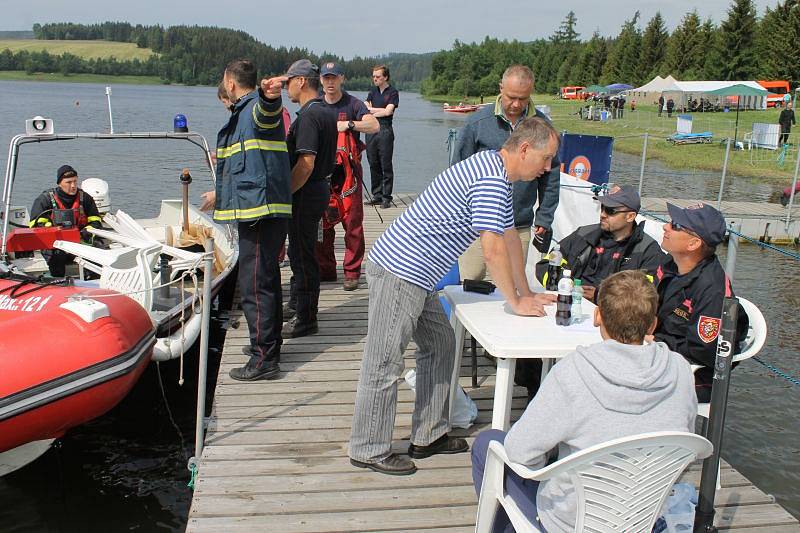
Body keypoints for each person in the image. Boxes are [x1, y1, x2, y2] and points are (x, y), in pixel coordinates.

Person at [348, 117, 560, 476]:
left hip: (420, 277)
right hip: (400, 271)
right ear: (525, 149)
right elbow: (492, 251)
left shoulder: (497, 173)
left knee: (442, 346)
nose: (548, 168)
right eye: (547, 158)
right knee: (384, 361)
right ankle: (368, 447)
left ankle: (428, 435)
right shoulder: (492, 178)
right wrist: (517, 302)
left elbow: (509, 238)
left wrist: (527, 292)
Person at [471, 270, 698, 533]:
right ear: (652, 325)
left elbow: (520, 452)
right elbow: (684, 440)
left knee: (487, 445)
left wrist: (547, 470)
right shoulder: (680, 370)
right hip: (642, 515)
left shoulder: (574, 372)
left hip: (571, 523)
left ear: (597, 316)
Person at [204, 59, 292, 381]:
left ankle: (263, 359)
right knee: (265, 280)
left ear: (230, 82)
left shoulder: (255, 107)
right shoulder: (242, 113)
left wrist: (270, 98)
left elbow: (267, 117)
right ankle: (269, 345)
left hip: (259, 212)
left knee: (255, 285)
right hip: (260, 209)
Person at [453, 65, 561, 281]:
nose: (516, 104)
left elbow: (551, 176)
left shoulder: (543, 127)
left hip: (519, 223)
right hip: (476, 225)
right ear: (501, 88)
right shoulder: (476, 123)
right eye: (511, 97)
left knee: (512, 285)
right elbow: (458, 170)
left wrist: (544, 217)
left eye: (523, 99)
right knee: (469, 283)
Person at [654, 202, 749, 402]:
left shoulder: (713, 290)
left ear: (693, 244)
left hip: (694, 377)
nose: (666, 227)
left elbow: (702, 351)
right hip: (661, 356)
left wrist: (653, 343)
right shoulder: (670, 265)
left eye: (675, 225)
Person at [280, 59, 337, 339]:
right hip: (318, 190)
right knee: (301, 252)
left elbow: (305, 163)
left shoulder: (309, 116)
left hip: (306, 191)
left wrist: (284, 192)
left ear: (301, 81)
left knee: (302, 256)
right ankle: (297, 303)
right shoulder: (325, 111)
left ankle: (305, 317)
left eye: (288, 80)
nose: (285, 86)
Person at [536, 185, 664, 302]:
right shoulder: (583, 234)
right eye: (602, 207)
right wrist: (566, 285)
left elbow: (645, 296)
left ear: (630, 216)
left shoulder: (648, 251)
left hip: (613, 320)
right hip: (570, 305)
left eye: (610, 211)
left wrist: (600, 296)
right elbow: (544, 266)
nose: (602, 214)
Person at [316, 62, 379, 291]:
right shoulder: (315, 105)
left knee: (353, 226)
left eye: (334, 78)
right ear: (321, 80)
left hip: (349, 178)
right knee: (322, 227)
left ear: (341, 78)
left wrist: (349, 124)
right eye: (326, 78)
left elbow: (374, 126)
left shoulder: (353, 104)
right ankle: (326, 269)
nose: (330, 82)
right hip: (322, 176)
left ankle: (352, 273)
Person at [29, 164, 103, 277]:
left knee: (96, 252)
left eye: (75, 181)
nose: (73, 186)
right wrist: (50, 229)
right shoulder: (45, 199)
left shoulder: (85, 198)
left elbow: (96, 221)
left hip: (80, 243)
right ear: (59, 183)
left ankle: (93, 281)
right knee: (57, 257)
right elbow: (34, 226)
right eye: (68, 182)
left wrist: (87, 232)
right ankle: (58, 283)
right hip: (56, 244)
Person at [365, 64, 399, 209]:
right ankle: (377, 195)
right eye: (373, 76)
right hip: (371, 128)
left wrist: (373, 110)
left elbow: (388, 112)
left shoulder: (393, 92)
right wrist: (378, 110)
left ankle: (386, 197)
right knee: (373, 163)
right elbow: (366, 107)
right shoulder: (372, 92)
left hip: (385, 130)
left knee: (385, 164)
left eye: (378, 76)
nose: (375, 79)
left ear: (385, 77)